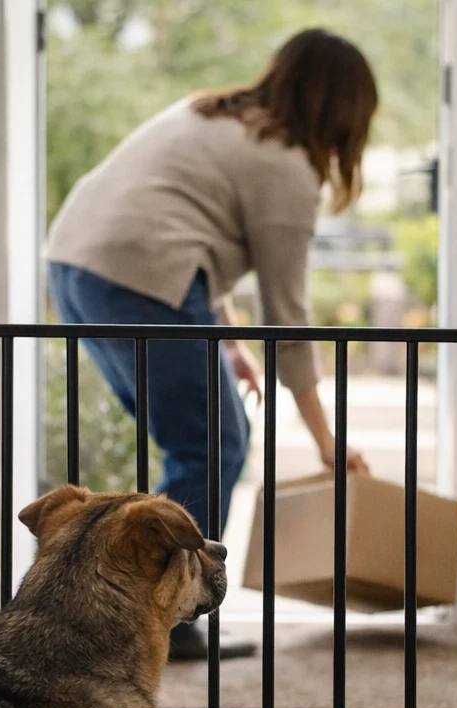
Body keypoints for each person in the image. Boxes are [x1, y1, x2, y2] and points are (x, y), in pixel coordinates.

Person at [46, 27, 376, 661]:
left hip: (76, 268)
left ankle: (129, 610)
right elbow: (289, 320)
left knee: (199, 441)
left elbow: (183, 227)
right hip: (137, 277)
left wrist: (230, 345)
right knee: (212, 443)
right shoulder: (285, 165)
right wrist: (327, 442)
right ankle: (166, 623)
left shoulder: (212, 114)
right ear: (345, 111)